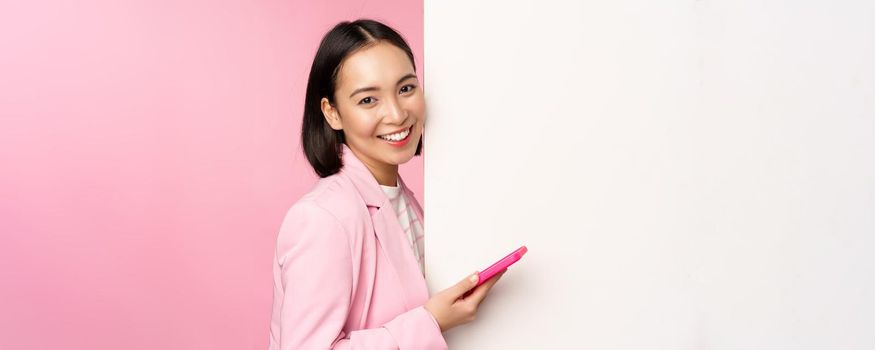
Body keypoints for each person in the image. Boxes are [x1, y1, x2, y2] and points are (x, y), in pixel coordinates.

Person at [267, 19, 505, 349]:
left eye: (406, 88)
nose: (396, 114)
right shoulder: (323, 218)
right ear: (332, 113)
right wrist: (431, 321)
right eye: (368, 100)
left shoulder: (401, 200)